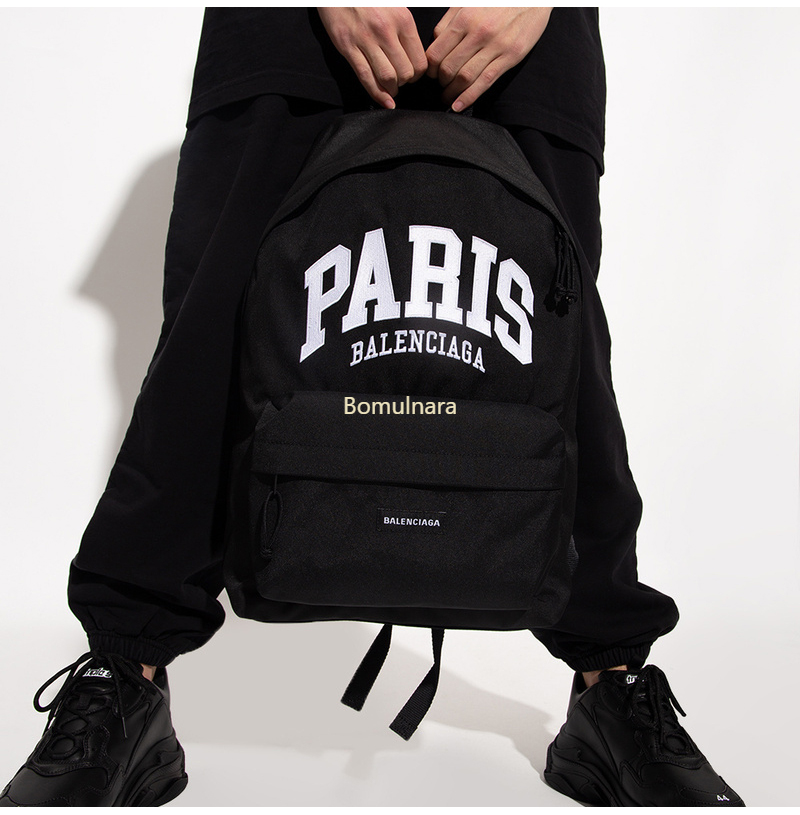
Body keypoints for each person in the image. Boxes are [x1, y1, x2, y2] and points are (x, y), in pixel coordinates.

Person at [0, 8, 743, 807]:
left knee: (557, 354)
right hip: (288, 26)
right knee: (206, 342)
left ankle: (613, 682)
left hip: (523, 29)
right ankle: (124, 669)